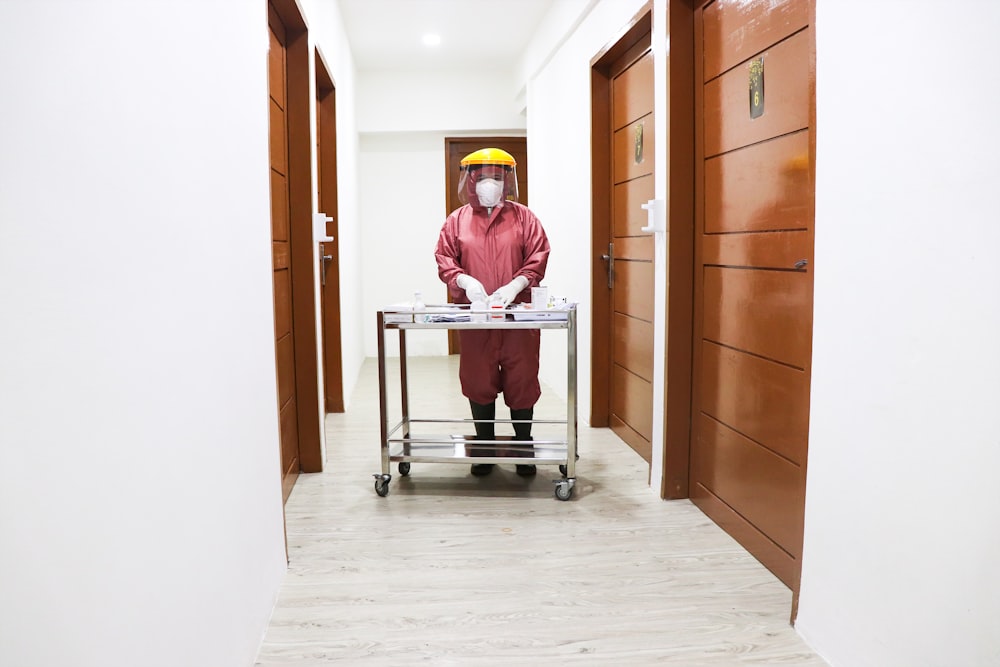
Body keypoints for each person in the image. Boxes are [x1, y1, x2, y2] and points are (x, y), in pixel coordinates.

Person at [434, 148, 550, 477]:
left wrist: (516, 285)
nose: (490, 183)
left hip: (518, 317)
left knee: (522, 377)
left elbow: (538, 254)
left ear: (508, 181)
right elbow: (445, 259)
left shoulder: (525, 218)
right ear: (469, 180)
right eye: (483, 177)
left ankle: (523, 448)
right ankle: (483, 449)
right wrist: (464, 281)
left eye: (497, 178)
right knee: (478, 378)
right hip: (476, 317)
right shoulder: (456, 221)